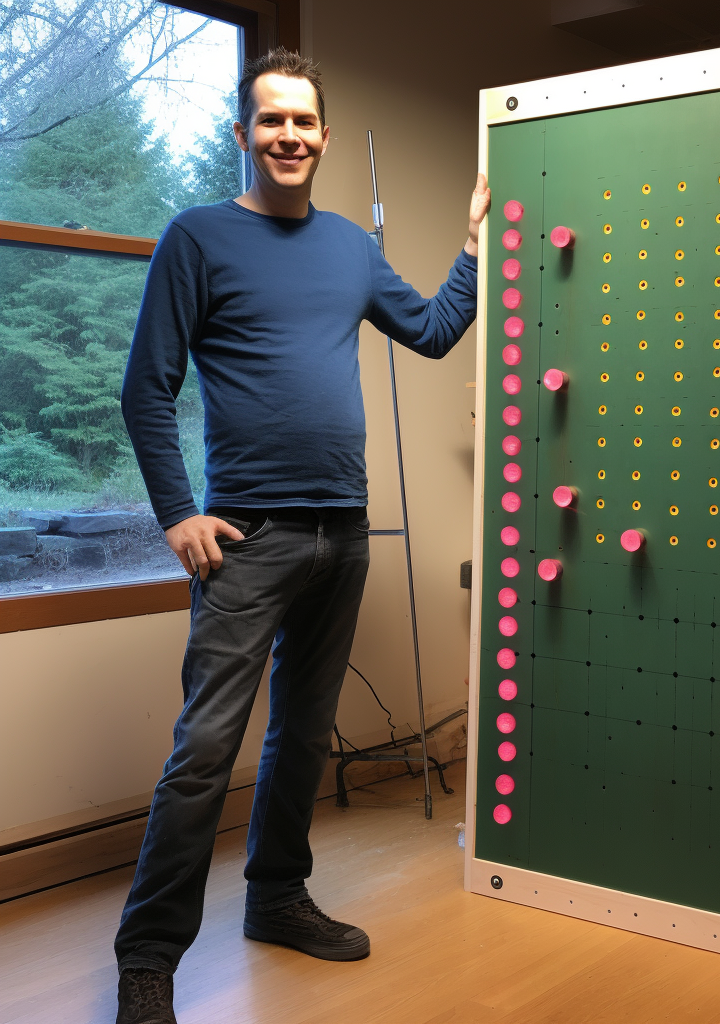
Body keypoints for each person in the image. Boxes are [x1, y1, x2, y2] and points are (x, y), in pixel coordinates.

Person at [114, 47, 489, 1024]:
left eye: (303, 121)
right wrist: (178, 513)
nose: (287, 135)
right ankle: (148, 959)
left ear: (320, 137)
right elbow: (144, 389)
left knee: (303, 733)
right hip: (248, 539)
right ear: (244, 136)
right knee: (205, 750)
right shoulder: (195, 238)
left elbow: (437, 329)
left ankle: (277, 897)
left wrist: (476, 247)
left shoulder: (349, 251)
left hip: (343, 533)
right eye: (269, 120)